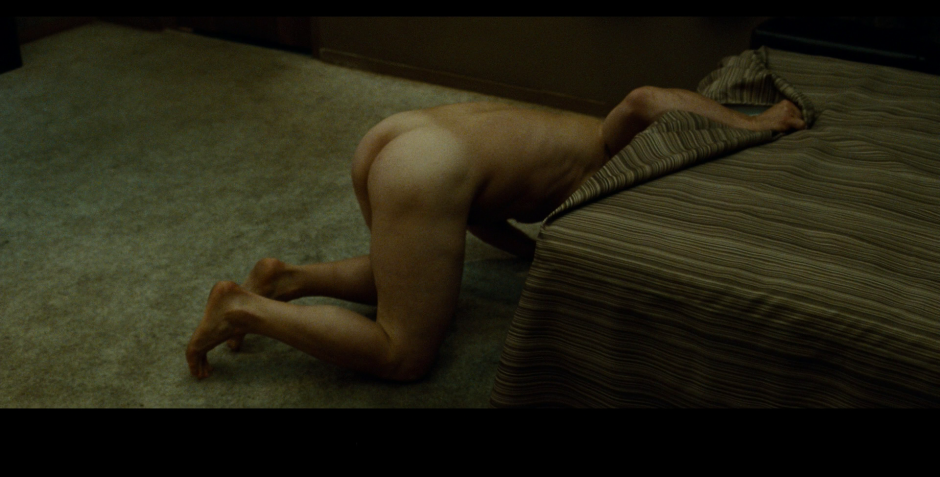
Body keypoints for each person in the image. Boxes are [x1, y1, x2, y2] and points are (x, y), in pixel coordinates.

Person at [186, 86, 807, 381]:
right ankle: (244, 308)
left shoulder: (567, 138)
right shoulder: (613, 148)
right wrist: (753, 123)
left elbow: (486, 218)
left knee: (405, 278)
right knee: (402, 352)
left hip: (400, 133)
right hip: (428, 164)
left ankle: (284, 279)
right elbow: (644, 99)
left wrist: (530, 254)